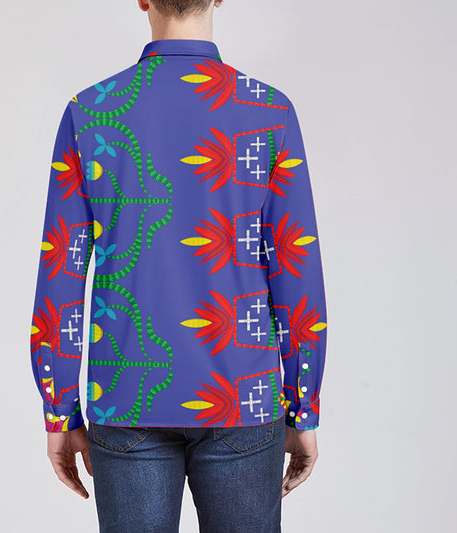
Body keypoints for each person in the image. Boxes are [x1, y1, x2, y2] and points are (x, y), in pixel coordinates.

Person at [29, 0, 328, 531]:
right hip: (242, 392)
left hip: (125, 394)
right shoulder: (268, 111)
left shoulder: (91, 111)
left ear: (143, 0)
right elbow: (294, 266)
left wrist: (59, 408)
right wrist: (303, 406)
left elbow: (62, 268)